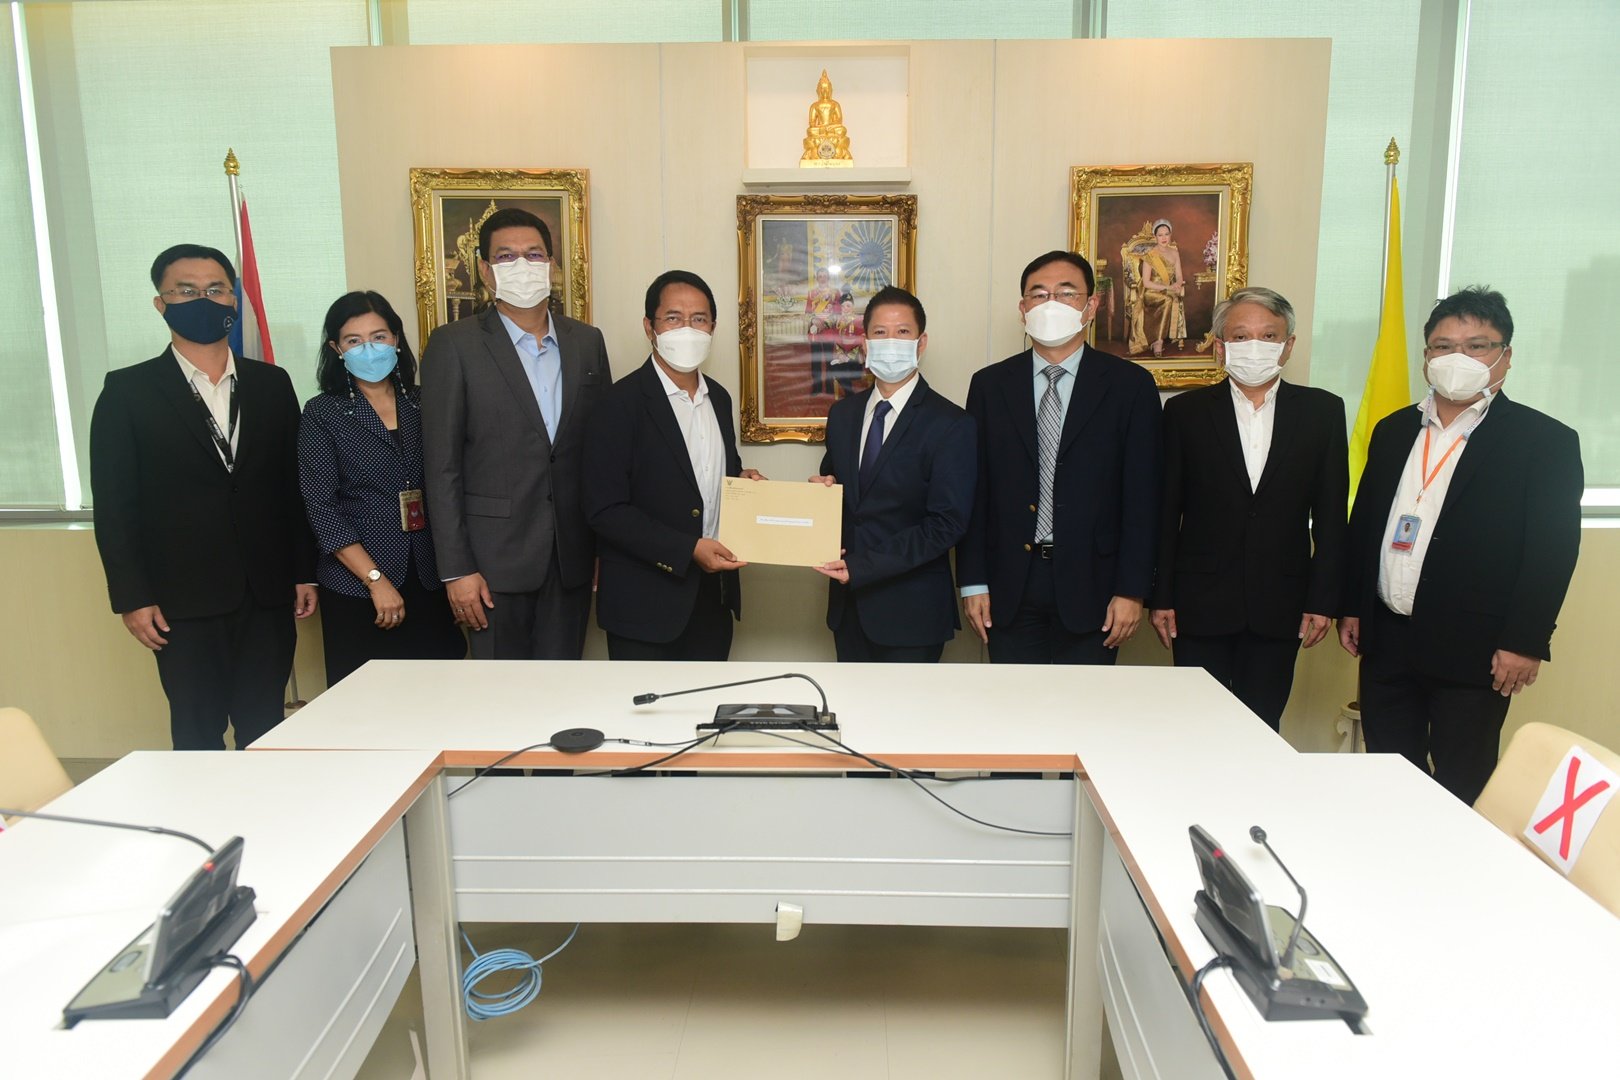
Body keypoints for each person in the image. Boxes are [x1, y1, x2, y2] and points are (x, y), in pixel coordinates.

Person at [1339, 287, 1582, 804]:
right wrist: (1353, 607)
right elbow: (1366, 524)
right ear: (1426, 356)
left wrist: (1525, 641)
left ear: (1505, 357)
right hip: (1388, 641)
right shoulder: (1394, 429)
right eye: (1444, 346)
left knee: (1462, 786)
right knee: (1387, 782)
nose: (1458, 358)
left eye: (1477, 346)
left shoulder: (1544, 441)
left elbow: (1552, 552)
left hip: (1477, 650)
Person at [89, 243, 317, 750]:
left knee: (266, 728)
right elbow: (115, 506)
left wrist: (304, 570)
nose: (204, 300)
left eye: (215, 289)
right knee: (198, 733)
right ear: (161, 303)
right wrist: (132, 597)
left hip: (266, 592)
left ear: (233, 299)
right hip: (181, 600)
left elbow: (292, 486)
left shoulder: (271, 384)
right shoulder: (127, 392)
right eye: (186, 291)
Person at [1150, 287, 1347, 730]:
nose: (1254, 346)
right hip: (1198, 602)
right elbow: (1166, 511)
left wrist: (1323, 600)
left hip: (1282, 603)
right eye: (1240, 336)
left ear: (1288, 345)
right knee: (1198, 728)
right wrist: (1160, 597)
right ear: (1220, 347)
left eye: (1268, 336)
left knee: (1261, 726)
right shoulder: (1184, 412)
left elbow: (1332, 517)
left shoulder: (1322, 412)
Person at [420, 207, 611, 660]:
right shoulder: (454, 344)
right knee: (498, 694)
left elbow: (600, 455)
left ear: (552, 265)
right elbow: (441, 467)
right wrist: (457, 570)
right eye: (506, 257)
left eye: (534, 254)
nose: (522, 265)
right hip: (491, 566)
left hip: (571, 559)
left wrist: (602, 549)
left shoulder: (587, 342)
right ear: (485, 270)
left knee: (563, 689)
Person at [958, 250, 1162, 664]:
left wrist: (1132, 590)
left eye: (1067, 294)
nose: (1051, 304)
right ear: (1023, 309)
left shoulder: (1131, 386)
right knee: (1013, 700)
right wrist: (973, 581)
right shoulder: (989, 385)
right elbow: (976, 491)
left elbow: (1143, 497)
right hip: (1009, 583)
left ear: (1092, 305)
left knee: (1085, 703)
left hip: (1096, 583)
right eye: (1039, 294)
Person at [584, 271, 763, 660]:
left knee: (710, 700)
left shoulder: (719, 399)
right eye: (673, 318)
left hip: (712, 600)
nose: (688, 329)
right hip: (644, 606)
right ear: (649, 327)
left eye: (699, 319)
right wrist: (687, 549)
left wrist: (741, 482)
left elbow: (707, 477)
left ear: (713, 327)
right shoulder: (618, 404)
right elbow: (604, 509)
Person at [298, 291, 466, 686]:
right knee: (367, 700)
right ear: (337, 349)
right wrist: (375, 580)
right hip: (358, 586)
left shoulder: (425, 402)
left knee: (440, 693)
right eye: (354, 340)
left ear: (396, 339)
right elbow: (321, 506)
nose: (369, 349)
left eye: (379, 337)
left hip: (430, 576)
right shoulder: (322, 413)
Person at [811, 286, 976, 662]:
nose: (891, 342)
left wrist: (862, 566)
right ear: (865, 343)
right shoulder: (843, 415)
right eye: (880, 333)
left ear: (921, 343)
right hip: (848, 610)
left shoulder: (951, 424)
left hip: (913, 614)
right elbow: (839, 490)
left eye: (902, 332)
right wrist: (823, 492)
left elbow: (947, 524)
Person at [1127, 220, 1187, 357]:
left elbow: (1179, 275)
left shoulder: (1175, 253)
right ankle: (1158, 341)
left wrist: (1178, 284)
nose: (1164, 238)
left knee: (1170, 298)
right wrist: (1168, 287)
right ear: (1155, 237)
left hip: (1168, 290)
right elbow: (1146, 283)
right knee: (1168, 300)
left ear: (1170, 235)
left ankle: (1159, 340)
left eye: (1166, 234)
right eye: (1160, 235)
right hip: (1150, 292)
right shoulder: (1150, 255)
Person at [805, 267, 840, 395]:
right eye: (820, 276)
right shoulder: (811, 293)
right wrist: (814, 321)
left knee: (829, 360)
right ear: (817, 278)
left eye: (825, 276)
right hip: (815, 332)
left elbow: (838, 312)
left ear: (828, 277)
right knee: (816, 361)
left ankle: (830, 387)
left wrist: (824, 324)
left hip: (829, 331)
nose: (822, 278)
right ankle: (817, 387)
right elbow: (807, 313)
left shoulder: (835, 293)